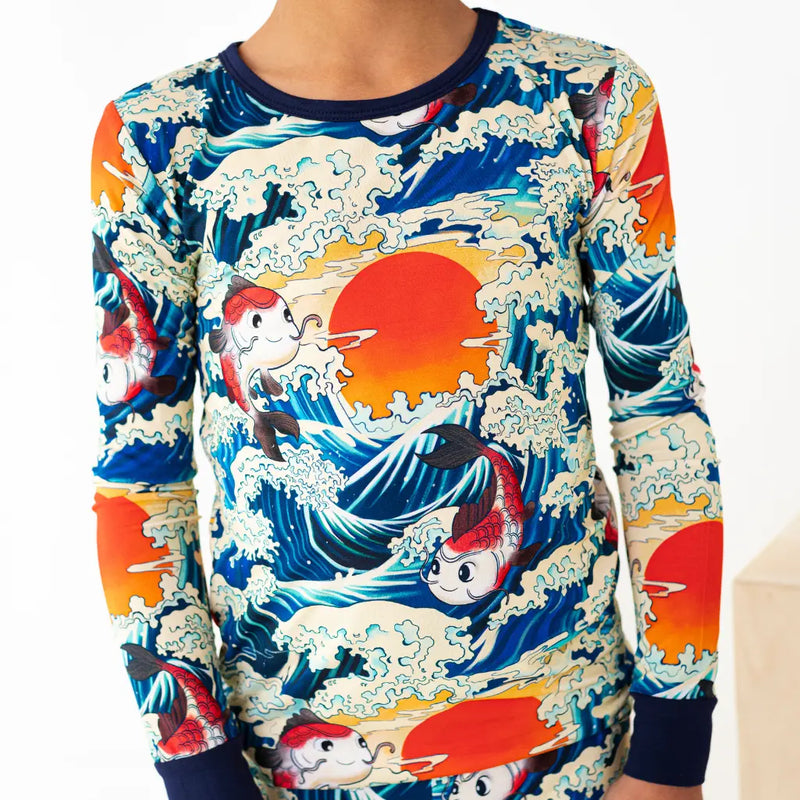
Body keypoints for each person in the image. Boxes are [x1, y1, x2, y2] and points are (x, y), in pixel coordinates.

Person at [89, 2, 724, 799]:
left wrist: (672, 752)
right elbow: (140, 479)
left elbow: (662, 416)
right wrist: (199, 773)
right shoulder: (159, 139)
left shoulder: (587, 96)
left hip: (575, 752)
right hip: (281, 770)